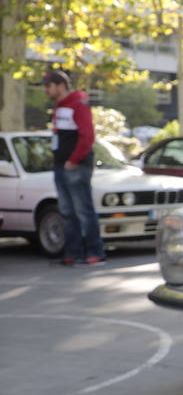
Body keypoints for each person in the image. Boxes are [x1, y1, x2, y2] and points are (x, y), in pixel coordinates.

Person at [43, 70, 105, 265]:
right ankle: (73, 252)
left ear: (60, 85)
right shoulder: (59, 106)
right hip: (61, 165)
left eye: (48, 86)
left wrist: (74, 160)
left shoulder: (78, 103)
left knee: (83, 210)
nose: (46, 90)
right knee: (67, 211)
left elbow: (87, 136)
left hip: (75, 166)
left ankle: (95, 251)